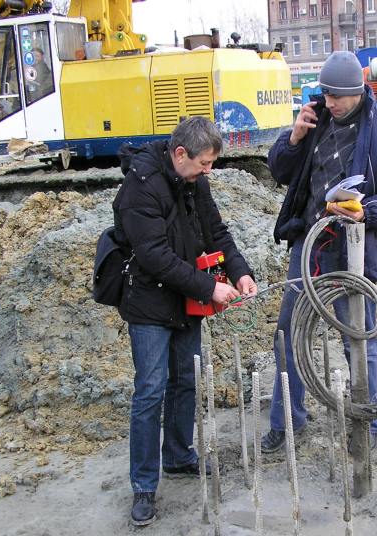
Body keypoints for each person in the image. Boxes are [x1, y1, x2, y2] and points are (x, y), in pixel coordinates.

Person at [261, 51, 377, 454]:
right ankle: (287, 421)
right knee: (290, 333)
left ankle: (369, 422)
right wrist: (293, 138)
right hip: (310, 243)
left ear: (359, 92)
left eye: (339, 97)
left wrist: (365, 210)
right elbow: (280, 172)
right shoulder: (314, 118)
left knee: (359, 335)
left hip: (354, 247)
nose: (330, 103)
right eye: (326, 94)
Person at [112, 116, 258, 526]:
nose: (208, 171)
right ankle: (143, 485)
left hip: (185, 300)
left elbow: (216, 232)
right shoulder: (140, 187)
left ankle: (178, 456)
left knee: (186, 380)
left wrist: (240, 270)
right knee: (150, 389)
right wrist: (209, 288)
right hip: (148, 304)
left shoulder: (195, 181)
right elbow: (155, 255)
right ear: (180, 154)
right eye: (204, 163)